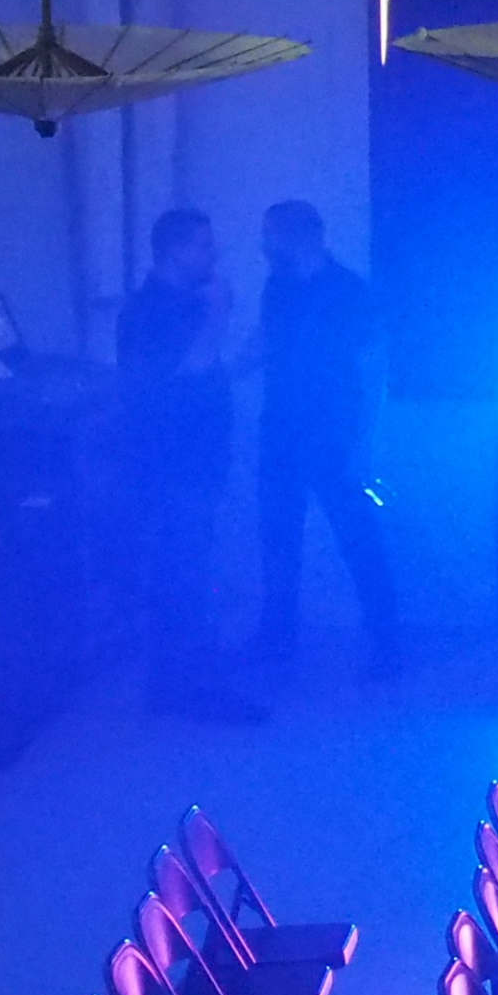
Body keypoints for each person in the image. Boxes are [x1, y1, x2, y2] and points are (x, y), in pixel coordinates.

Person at [117, 207, 261, 724]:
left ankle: (178, 686)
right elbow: (183, 374)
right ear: (174, 250)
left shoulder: (179, 302)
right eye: (203, 246)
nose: (214, 255)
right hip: (175, 466)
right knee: (183, 576)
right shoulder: (151, 309)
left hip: (194, 464)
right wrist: (219, 315)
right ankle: (189, 692)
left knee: (188, 573)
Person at [250, 198, 402, 678]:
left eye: (269, 234)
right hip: (280, 430)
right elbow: (268, 343)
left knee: (357, 537)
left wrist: (363, 444)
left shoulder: (348, 292)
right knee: (278, 538)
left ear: (295, 236)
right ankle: (278, 637)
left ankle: (387, 643)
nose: (263, 244)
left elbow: (374, 368)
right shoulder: (278, 287)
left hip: (332, 434)